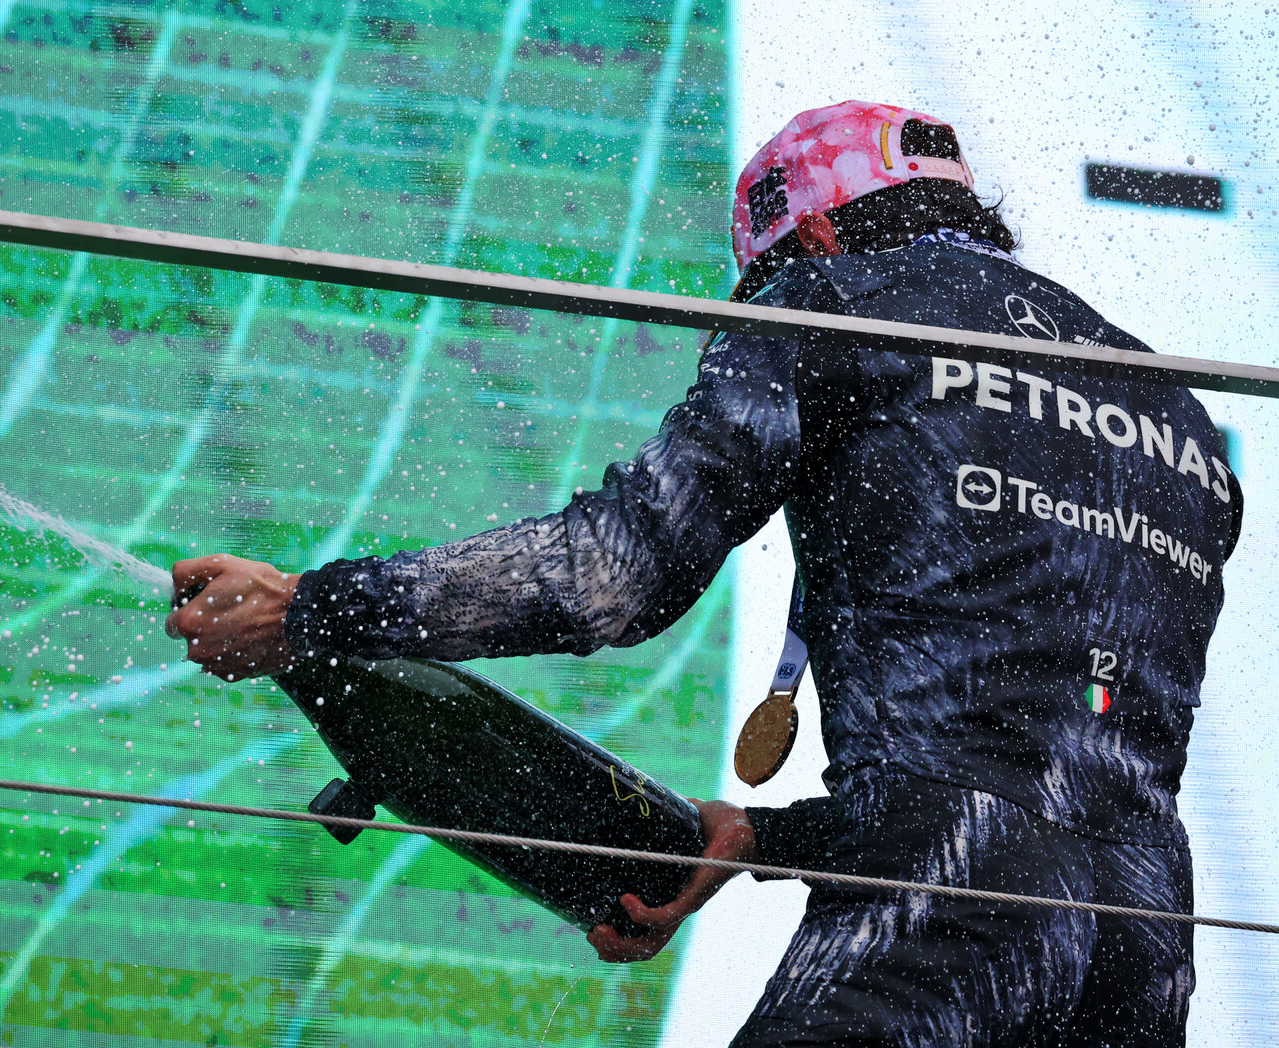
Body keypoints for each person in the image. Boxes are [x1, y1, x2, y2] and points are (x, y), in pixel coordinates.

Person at [166, 101, 1242, 1046]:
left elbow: (610, 573)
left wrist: (313, 608)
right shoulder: (1174, 413)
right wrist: (761, 838)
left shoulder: (830, 300)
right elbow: (1058, 778)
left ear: (812, 236)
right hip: (1143, 944)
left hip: (937, 909)